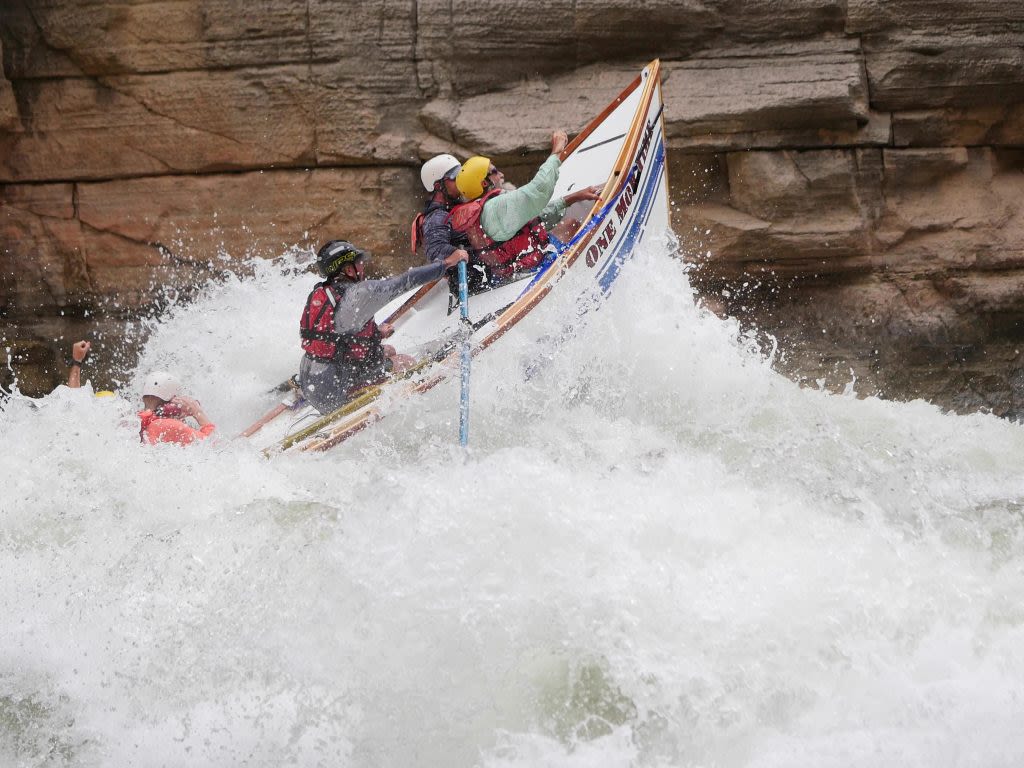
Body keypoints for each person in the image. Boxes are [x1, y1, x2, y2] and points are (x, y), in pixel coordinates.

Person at [298, 239, 467, 414]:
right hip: (334, 392)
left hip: (312, 380)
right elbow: (404, 282)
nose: (362, 267)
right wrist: (446, 263)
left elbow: (336, 334)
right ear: (348, 269)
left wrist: (375, 333)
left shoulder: (322, 293)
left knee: (389, 350)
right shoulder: (359, 293)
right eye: (358, 263)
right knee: (404, 362)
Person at [448, 130, 602, 285]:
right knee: (572, 226)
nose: (501, 174)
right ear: (484, 183)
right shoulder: (496, 208)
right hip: (528, 270)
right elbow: (539, 190)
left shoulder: (484, 210)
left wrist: (572, 198)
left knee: (567, 225)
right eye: (494, 171)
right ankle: (591, 278)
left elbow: (535, 217)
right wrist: (556, 152)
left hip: (512, 271)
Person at [413, 153, 471, 266]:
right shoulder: (436, 218)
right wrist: (455, 253)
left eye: (461, 175)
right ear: (438, 186)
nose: (461, 181)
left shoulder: (453, 208)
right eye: (455, 177)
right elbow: (435, 250)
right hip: (472, 278)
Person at [138, 370, 216, 445]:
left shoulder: (140, 420)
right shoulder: (168, 425)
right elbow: (213, 443)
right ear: (174, 402)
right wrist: (197, 413)